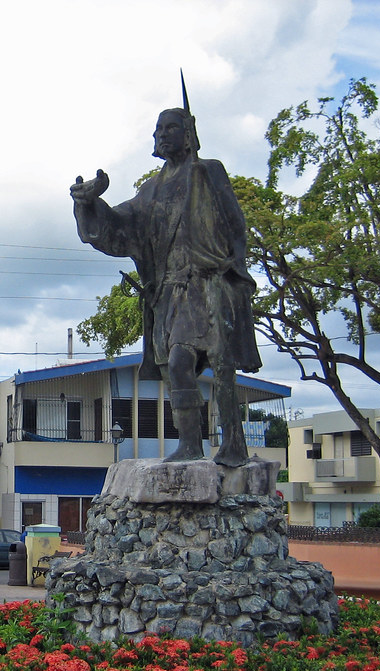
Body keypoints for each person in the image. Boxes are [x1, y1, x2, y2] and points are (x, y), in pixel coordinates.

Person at [71, 102, 261, 467]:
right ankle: (191, 444)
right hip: (172, 294)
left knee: (221, 367)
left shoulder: (208, 172)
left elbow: (236, 226)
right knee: (177, 365)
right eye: (158, 128)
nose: (161, 133)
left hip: (209, 284)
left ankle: (233, 445)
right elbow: (122, 224)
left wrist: (237, 273)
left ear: (188, 134)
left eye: (171, 127)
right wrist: (90, 203)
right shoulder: (152, 189)